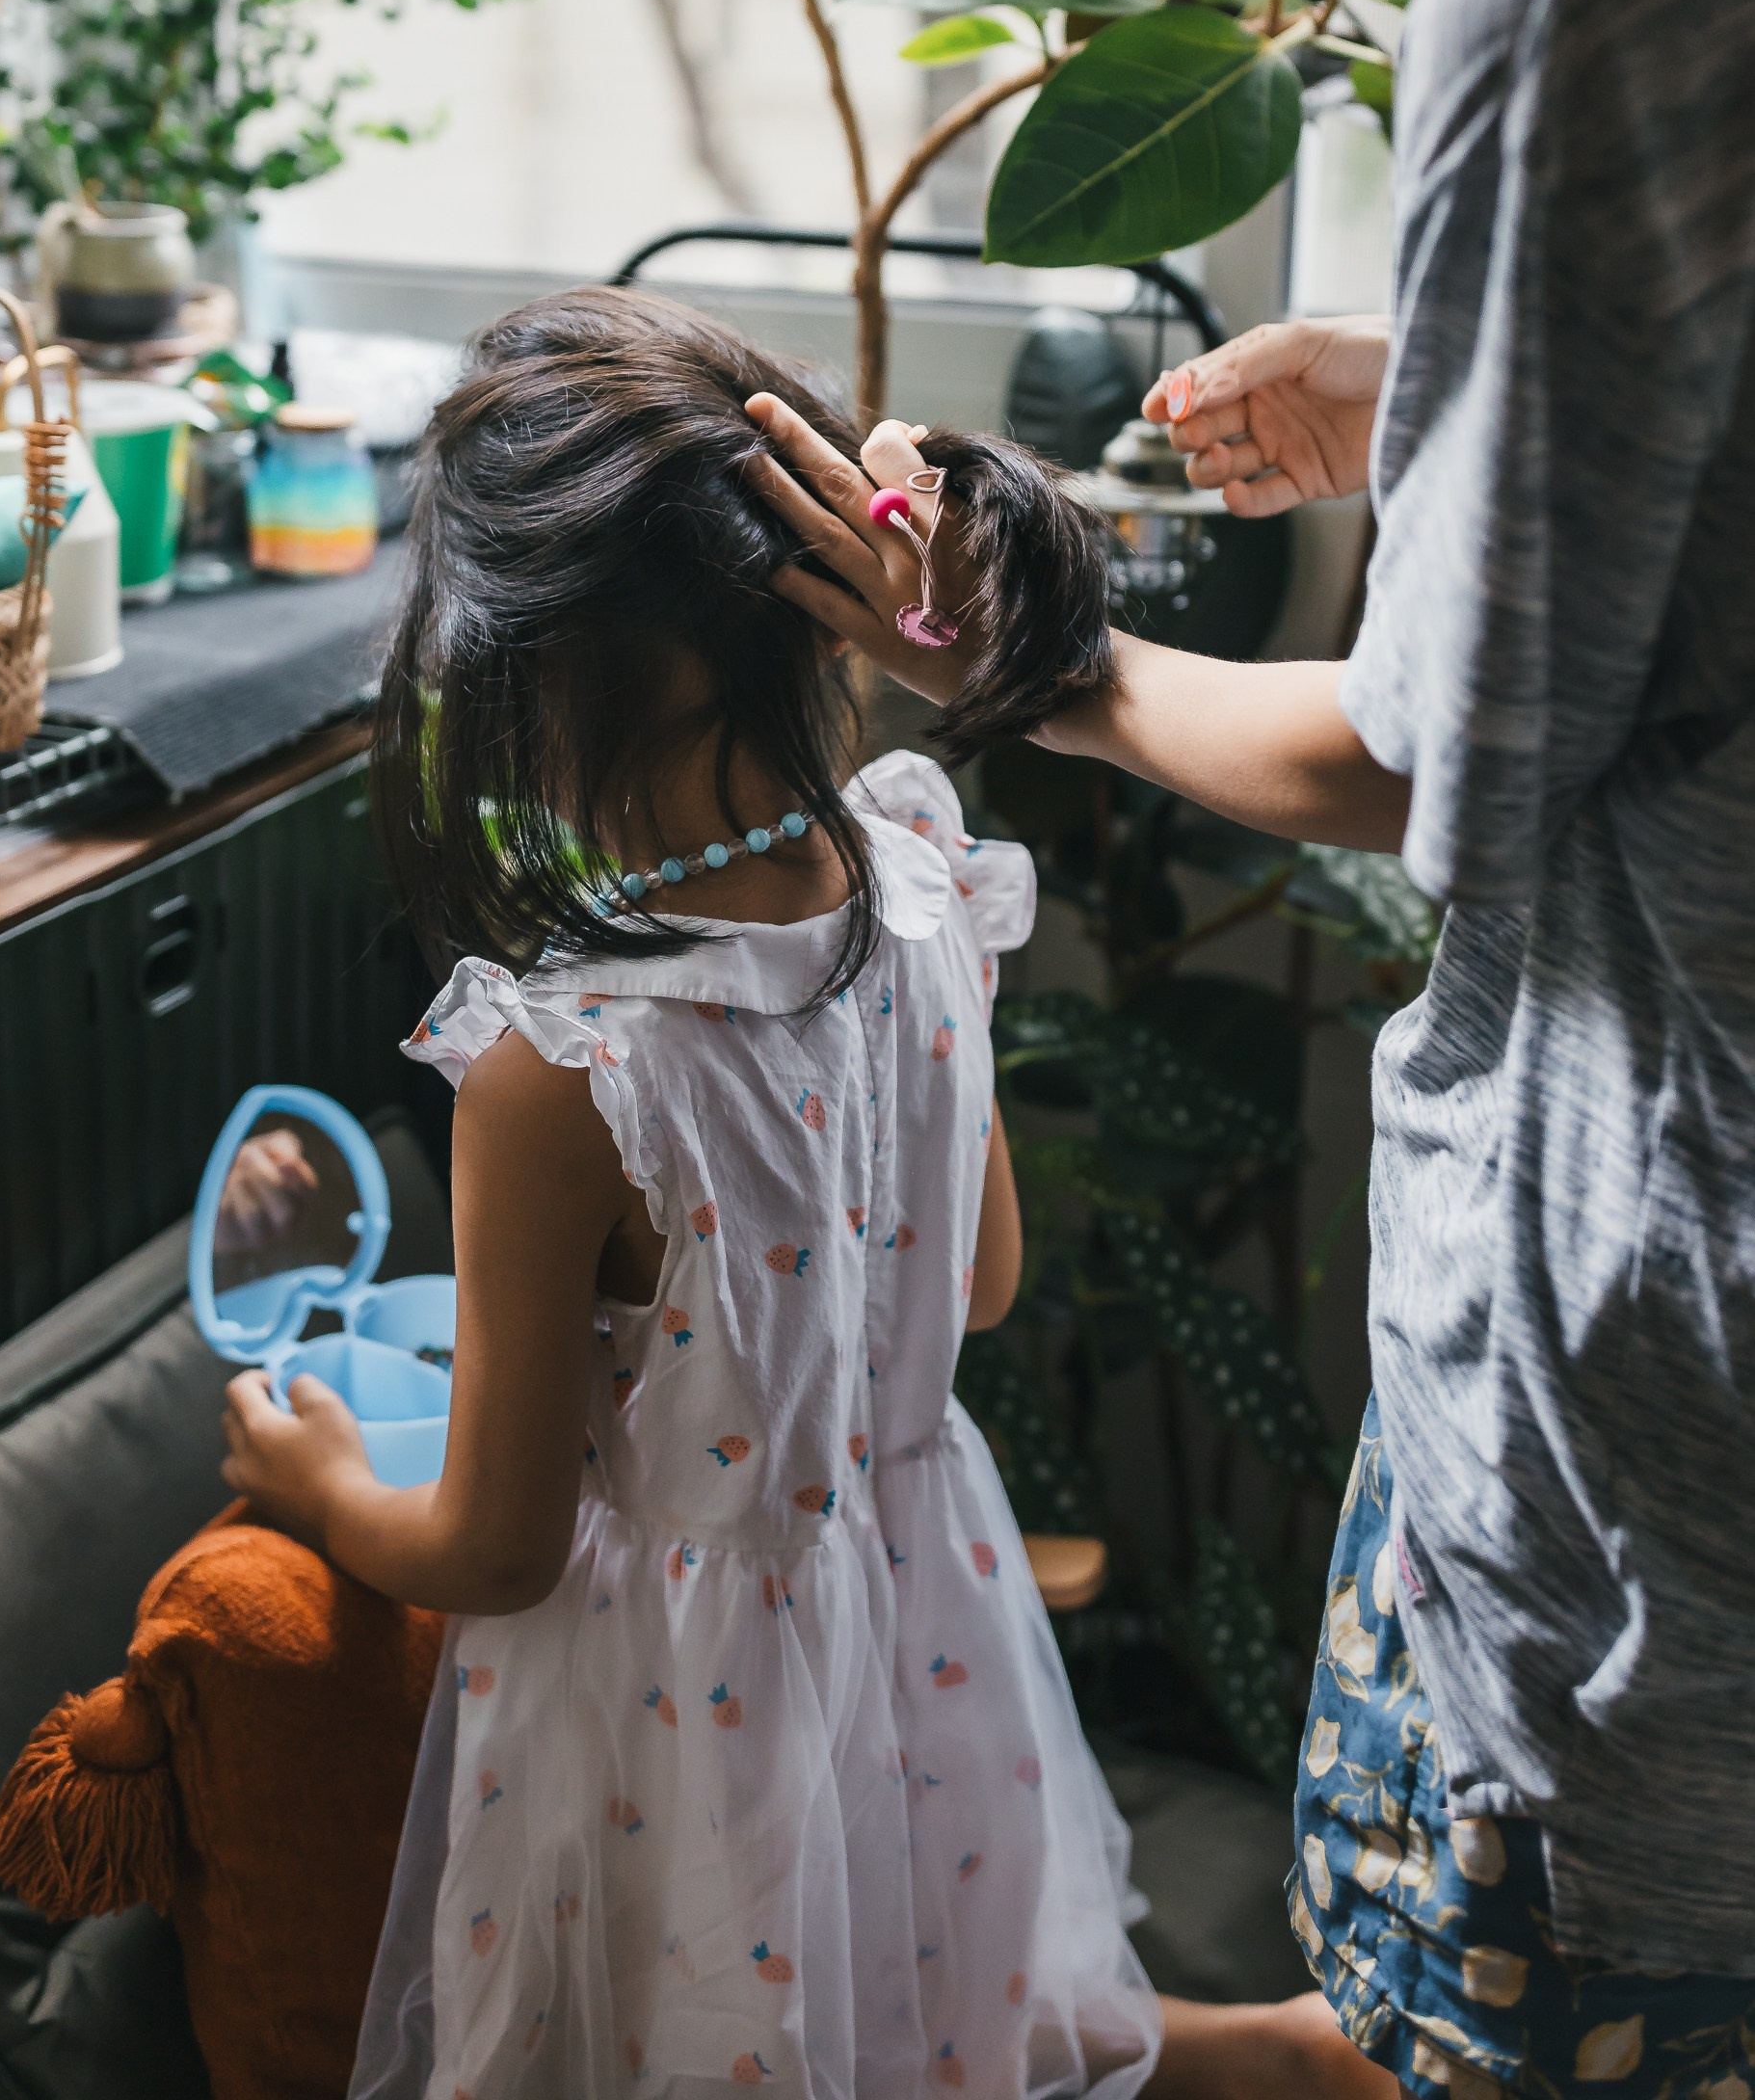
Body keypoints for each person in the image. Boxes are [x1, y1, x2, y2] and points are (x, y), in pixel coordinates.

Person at [748, 0, 1755, 2090]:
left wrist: (1038, 668)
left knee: (1540, 2001)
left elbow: (1419, 763)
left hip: (1662, 1332)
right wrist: (1444, 382)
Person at [221, 286, 1169, 2100]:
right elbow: (971, 1286)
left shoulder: (563, 1061)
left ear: (511, 674)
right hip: (919, 1626)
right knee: (910, 2032)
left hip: (677, 1723)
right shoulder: (918, 876)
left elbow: (493, 1550)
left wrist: (321, 1480)